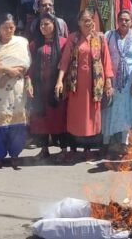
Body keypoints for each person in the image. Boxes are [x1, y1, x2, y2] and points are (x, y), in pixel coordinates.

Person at [56, 9, 114, 160]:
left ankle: (88, 148)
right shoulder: (73, 38)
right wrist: (59, 81)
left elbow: (106, 62)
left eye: (90, 20)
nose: (88, 23)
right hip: (76, 85)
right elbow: (65, 61)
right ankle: (74, 148)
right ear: (79, 22)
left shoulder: (100, 38)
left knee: (91, 117)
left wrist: (108, 82)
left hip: (94, 85)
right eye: (85, 20)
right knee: (75, 117)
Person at [0, 14, 31, 170]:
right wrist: (8, 70)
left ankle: (15, 155)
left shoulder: (22, 42)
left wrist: (6, 73)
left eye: (11, 27)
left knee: (17, 125)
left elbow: (25, 64)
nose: (9, 30)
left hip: (17, 89)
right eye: (5, 27)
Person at [27, 13, 72, 162]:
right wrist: (29, 82)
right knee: (41, 119)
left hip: (57, 87)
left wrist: (64, 83)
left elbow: (67, 65)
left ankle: (64, 150)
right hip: (40, 88)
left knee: (60, 118)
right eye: (41, 25)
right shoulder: (35, 45)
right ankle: (44, 149)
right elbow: (30, 66)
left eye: (47, 24)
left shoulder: (64, 42)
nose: (43, 27)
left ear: (54, 24)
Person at [103, 10, 132, 157]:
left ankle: (124, 143)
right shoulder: (109, 36)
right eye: (121, 19)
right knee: (110, 110)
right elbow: (105, 57)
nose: (124, 22)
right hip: (112, 80)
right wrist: (106, 81)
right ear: (117, 21)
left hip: (129, 81)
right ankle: (109, 143)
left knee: (127, 112)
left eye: (127, 20)